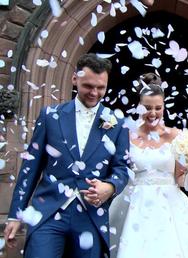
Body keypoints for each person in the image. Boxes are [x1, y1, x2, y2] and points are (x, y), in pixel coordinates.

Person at [3, 53, 130, 258]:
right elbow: (30, 168)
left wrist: (110, 186)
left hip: (91, 216)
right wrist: (15, 215)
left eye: (101, 88)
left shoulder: (117, 122)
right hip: (48, 212)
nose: (94, 93)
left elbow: (122, 169)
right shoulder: (50, 115)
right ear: (74, 79)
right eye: (88, 86)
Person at [109, 73, 188, 258]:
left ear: (164, 107)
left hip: (169, 204)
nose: (153, 113)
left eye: (158, 108)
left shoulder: (176, 136)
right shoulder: (126, 135)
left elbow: (180, 179)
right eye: (148, 107)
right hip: (135, 204)